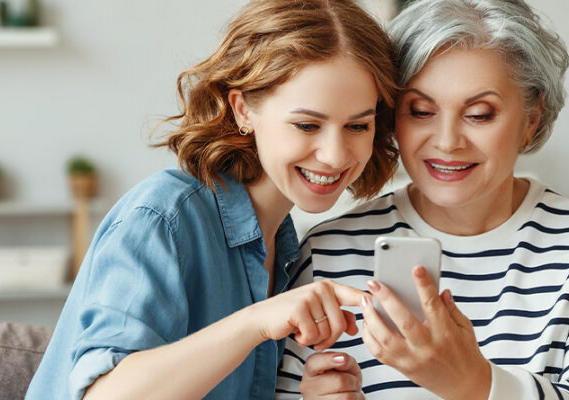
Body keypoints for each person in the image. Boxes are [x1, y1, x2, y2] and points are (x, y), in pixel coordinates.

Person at [275, 0, 569, 399]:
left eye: (478, 114)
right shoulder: (327, 252)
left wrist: (472, 383)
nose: (446, 142)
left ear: (530, 119)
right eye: (421, 111)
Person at [25, 1, 400, 399]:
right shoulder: (163, 217)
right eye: (307, 124)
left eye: (358, 125)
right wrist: (255, 322)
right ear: (242, 110)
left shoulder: (287, 247)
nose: (336, 154)